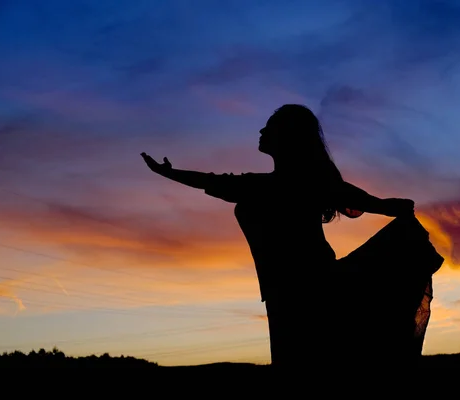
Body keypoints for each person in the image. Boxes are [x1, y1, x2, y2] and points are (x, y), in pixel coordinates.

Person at [141, 104, 443, 373]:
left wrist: (392, 207)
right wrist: (168, 172)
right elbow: (214, 181)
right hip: (284, 290)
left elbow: (361, 199)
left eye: (269, 127)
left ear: (287, 136)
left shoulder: (303, 182)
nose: (261, 130)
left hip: (310, 286)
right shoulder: (267, 185)